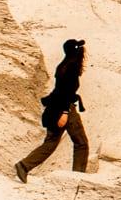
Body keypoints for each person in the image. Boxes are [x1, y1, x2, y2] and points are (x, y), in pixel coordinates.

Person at [14, 39, 90, 182]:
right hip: (65, 108)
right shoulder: (72, 67)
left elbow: (58, 90)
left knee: (50, 143)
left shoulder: (62, 66)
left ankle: (23, 166)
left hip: (54, 108)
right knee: (81, 143)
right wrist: (65, 113)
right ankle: (77, 178)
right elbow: (66, 92)